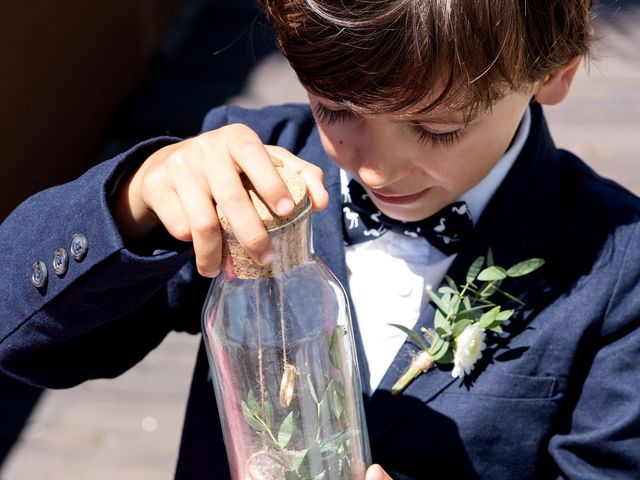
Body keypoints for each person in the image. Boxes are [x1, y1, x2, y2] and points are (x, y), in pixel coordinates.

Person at [1, 0, 639, 478]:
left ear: (555, 72)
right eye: (336, 108)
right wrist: (136, 199)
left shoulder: (619, 266)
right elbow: (25, 338)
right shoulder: (245, 172)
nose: (376, 168)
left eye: (438, 129)